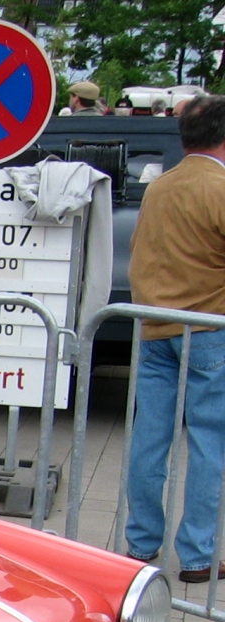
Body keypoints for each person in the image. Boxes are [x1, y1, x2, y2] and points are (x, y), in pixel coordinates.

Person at [125, 95, 225, 582]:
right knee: (209, 443)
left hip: (154, 324)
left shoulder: (159, 188)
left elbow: (142, 250)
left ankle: (140, 545)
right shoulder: (221, 188)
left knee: (149, 439)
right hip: (210, 328)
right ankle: (198, 557)